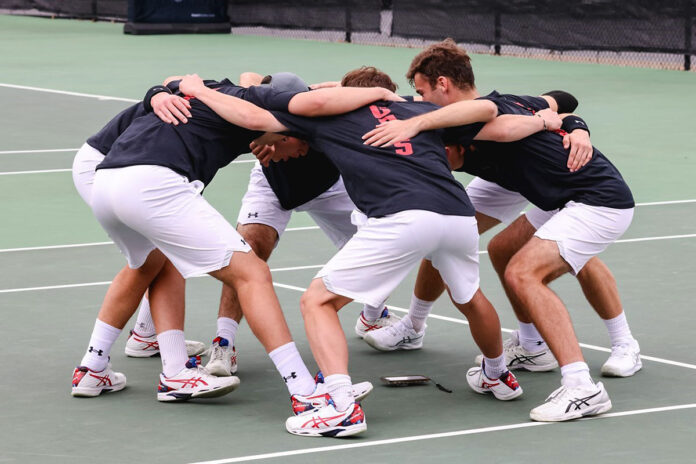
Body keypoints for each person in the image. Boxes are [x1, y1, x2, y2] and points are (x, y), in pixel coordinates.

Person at [176, 67, 561, 436]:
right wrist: (555, 123)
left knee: (317, 303)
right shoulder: (420, 108)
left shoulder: (326, 118)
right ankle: (497, 375)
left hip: (403, 215)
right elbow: (489, 110)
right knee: (470, 298)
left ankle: (340, 407)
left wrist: (199, 90)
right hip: (457, 213)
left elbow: (252, 107)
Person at [72, 74, 394, 406]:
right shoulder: (262, 106)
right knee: (252, 274)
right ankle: (305, 392)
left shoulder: (220, 90)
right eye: (303, 140)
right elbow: (313, 103)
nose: (304, 150)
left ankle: (97, 367)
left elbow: (181, 80)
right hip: (152, 182)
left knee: (150, 266)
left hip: (108, 182)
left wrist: (157, 92)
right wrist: (384, 93)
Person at [363, 39, 641, 381]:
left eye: (422, 91)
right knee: (463, 240)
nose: (419, 100)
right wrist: (568, 123)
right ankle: (515, 342)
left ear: (443, 84)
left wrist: (575, 128)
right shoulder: (479, 109)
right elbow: (559, 104)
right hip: (515, 181)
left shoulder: (473, 114)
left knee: (556, 263)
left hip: (579, 192)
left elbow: (541, 113)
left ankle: (624, 345)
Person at [196, 70, 400, 378]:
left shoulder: (333, 114)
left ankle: (373, 315)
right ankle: (224, 344)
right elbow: (250, 77)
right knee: (248, 250)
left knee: (383, 242)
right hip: (273, 184)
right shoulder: (271, 111)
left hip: (330, 187)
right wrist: (261, 133)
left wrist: (324, 85)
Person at [72, 92, 207, 361]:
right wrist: (156, 93)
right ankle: (96, 363)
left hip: (133, 168)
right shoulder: (209, 113)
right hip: (104, 166)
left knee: (163, 255)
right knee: (153, 258)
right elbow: (165, 86)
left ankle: (144, 337)